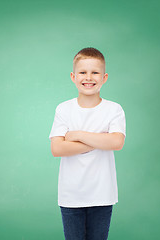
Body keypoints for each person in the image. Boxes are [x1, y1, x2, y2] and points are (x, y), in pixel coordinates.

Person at [48, 47, 126, 240]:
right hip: (70, 195)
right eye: (83, 72)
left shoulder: (114, 109)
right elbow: (57, 148)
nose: (88, 77)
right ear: (73, 76)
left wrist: (77, 135)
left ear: (104, 77)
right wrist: (100, 140)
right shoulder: (64, 109)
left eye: (95, 72)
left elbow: (116, 142)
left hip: (102, 194)